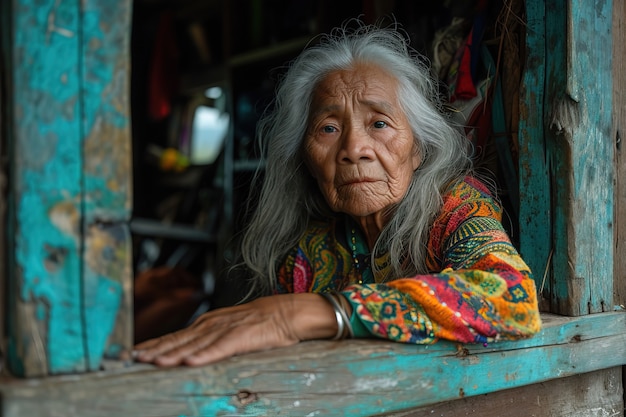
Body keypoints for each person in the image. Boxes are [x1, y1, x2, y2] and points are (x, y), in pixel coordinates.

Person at [133, 22, 541, 367]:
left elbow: (514, 299)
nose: (353, 148)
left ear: (418, 149)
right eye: (328, 128)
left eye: (379, 123)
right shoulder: (308, 249)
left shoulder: (454, 207)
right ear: (306, 159)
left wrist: (326, 312)